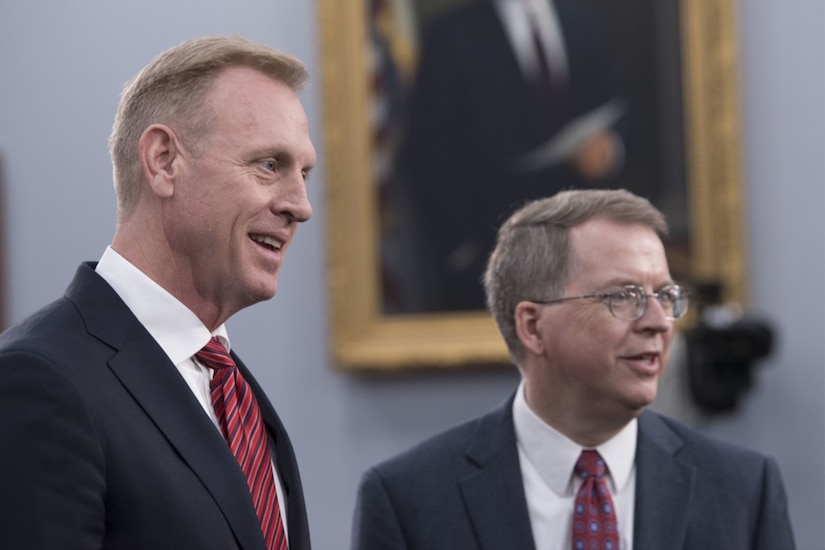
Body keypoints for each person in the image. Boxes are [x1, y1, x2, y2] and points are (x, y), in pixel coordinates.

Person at [0, 35, 315, 549]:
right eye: (269, 165)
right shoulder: (38, 379)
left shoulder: (235, 393)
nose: (300, 205)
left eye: (304, 172)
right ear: (164, 161)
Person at [352, 189, 796, 549]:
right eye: (623, 296)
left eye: (665, 295)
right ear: (532, 326)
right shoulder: (408, 501)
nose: (659, 322)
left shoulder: (744, 491)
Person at [393, 0, 629, 312]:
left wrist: (611, 147)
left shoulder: (584, 22)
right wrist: (464, 248)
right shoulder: (451, 33)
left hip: (579, 242)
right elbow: (428, 148)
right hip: (491, 248)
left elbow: (617, 111)